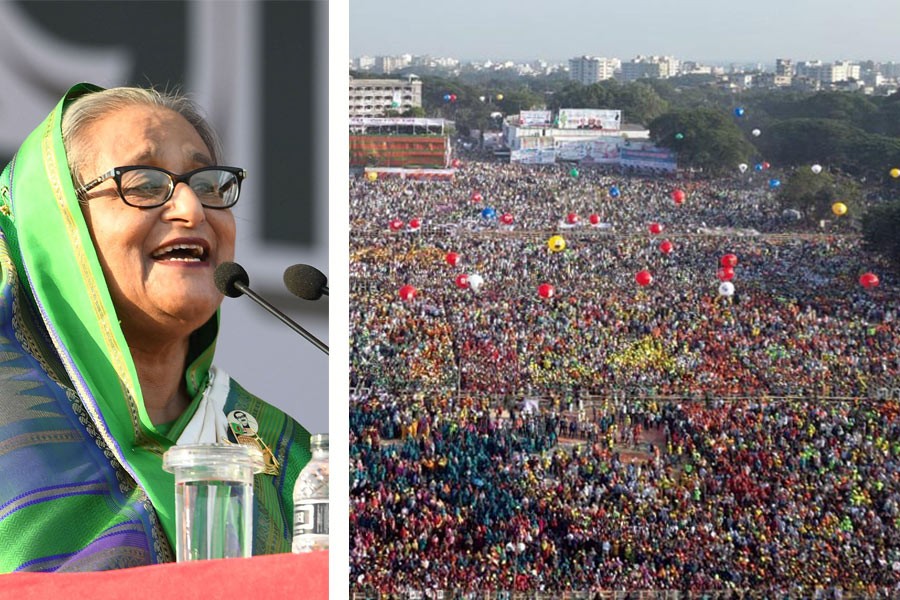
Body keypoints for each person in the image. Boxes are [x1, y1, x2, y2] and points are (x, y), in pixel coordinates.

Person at [0, 83, 310, 571]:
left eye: (208, 185)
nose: (192, 209)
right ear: (59, 227)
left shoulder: (292, 458)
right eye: (144, 183)